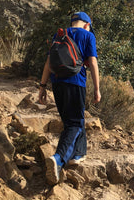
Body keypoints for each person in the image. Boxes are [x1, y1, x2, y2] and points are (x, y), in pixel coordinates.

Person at [38, 11, 101, 185]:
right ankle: (58, 159)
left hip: (57, 82)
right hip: (76, 82)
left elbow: (48, 62)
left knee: (71, 120)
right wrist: (97, 88)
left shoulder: (59, 34)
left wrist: (42, 86)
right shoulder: (88, 35)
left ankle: (77, 155)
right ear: (87, 24)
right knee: (74, 123)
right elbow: (93, 62)